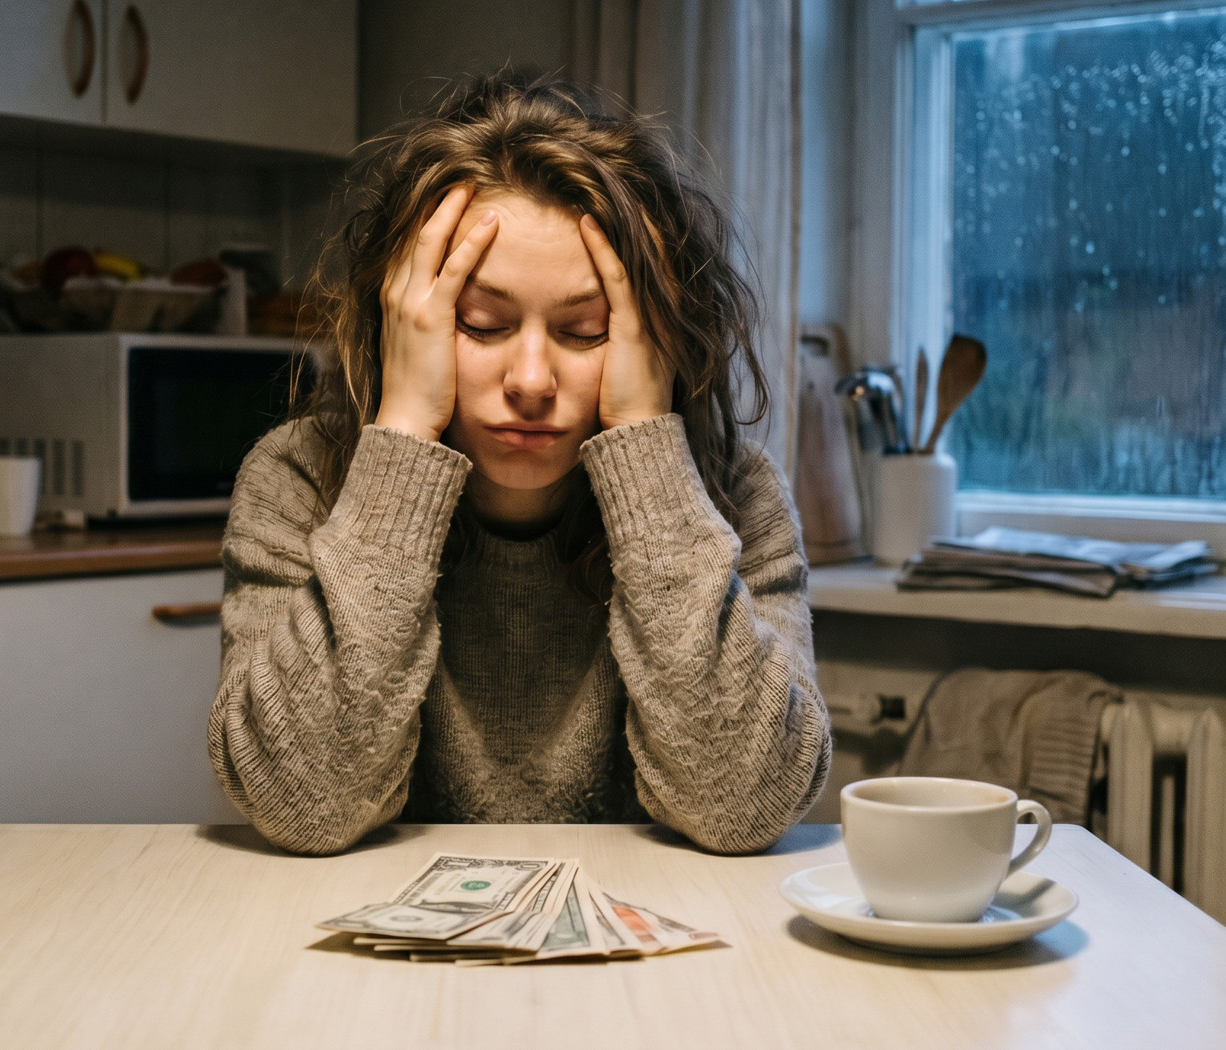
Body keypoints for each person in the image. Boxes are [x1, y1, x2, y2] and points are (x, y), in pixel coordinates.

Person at [209, 72, 830, 856]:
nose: (531, 382)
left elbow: (745, 807)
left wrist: (644, 443)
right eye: (480, 323)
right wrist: (401, 437)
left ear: (662, 341)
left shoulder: (737, 496)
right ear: (402, 324)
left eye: (585, 331)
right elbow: (302, 806)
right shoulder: (295, 481)